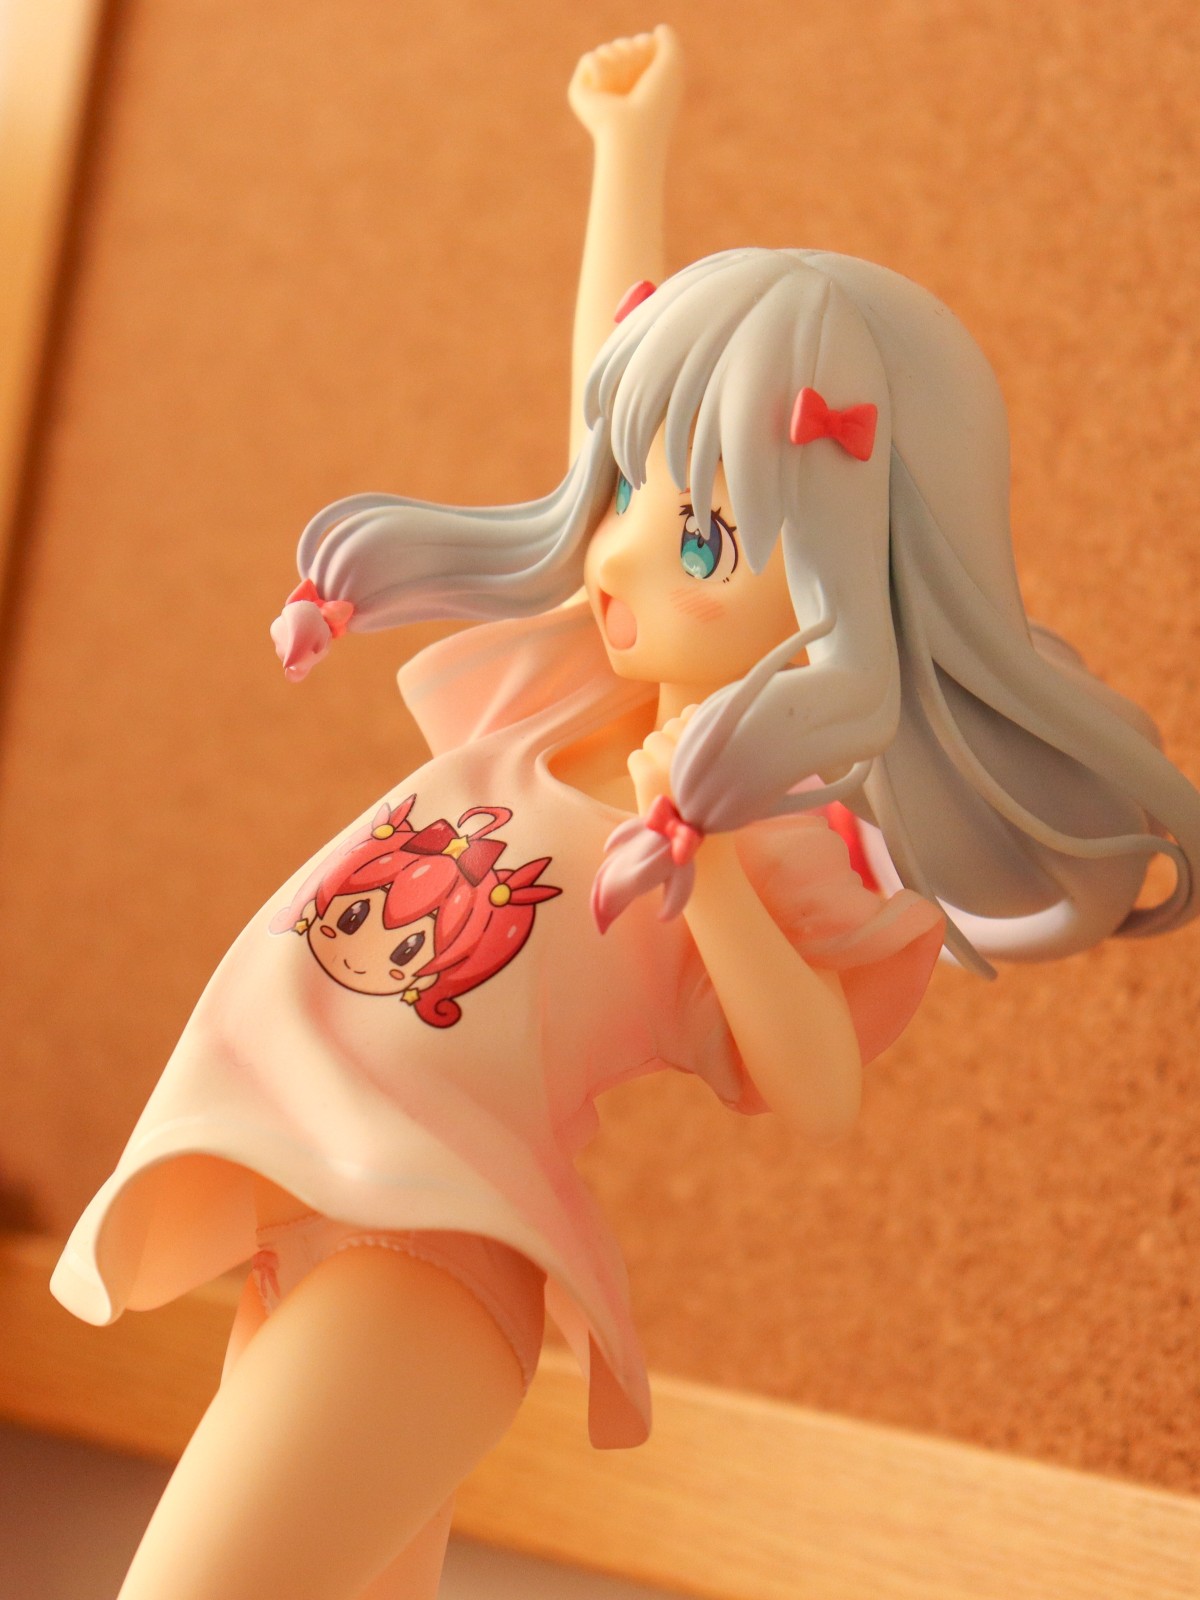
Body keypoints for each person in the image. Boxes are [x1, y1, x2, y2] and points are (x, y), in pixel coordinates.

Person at [50, 27, 1200, 1600]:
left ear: (837, 581)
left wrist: (706, 871)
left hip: (432, 1256)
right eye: (630, 495)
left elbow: (816, 1088)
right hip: (314, 1214)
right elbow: (611, 364)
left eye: (706, 534)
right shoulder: (565, 694)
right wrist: (627, 150)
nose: (621, 554)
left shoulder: (786, 837)